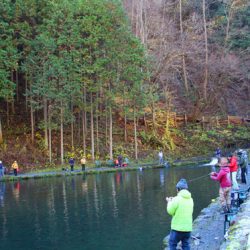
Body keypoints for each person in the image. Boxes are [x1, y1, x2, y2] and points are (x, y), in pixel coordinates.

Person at [166, 179, 194, 250]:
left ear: (178, 189)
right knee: (185, 244)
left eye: (176, 189)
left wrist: (169, 202)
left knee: (172, 244)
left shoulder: (176, 199)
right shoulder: (190, 199)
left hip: (177, 229)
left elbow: (170, 211)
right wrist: (173, 200)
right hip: (188, 228)